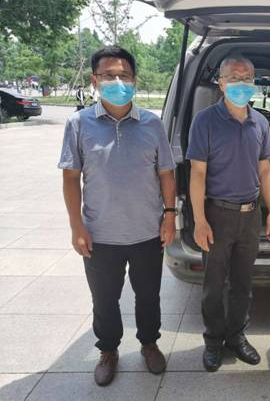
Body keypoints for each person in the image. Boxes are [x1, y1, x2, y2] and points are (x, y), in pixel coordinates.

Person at [58, 46, 177, 387]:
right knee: (105, 299)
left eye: (124, 75)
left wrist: (170, 216)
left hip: (147, 231)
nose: (118, 81)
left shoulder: (152, 124)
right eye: (109, 75)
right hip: (100, 234)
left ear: (135, 80)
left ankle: (149, 343)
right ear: (95, 80)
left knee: (148, 295)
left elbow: (166, 173)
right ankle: (108, 350)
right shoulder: (79, 123)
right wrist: (76, 226)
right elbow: (71, 177)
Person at [186, 57, 270, 372]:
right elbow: (197, 174)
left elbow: (265, 170)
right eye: (233, 77)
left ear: (254, 82)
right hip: (217, 214)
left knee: (242, 283)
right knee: (214, 284)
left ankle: (236, 337)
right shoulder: (205, 121)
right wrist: (200, 220)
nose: (241, 83)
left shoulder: (260, 122)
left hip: (251, 215)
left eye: (247, 77)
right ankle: (213, 340)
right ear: (221, 83)